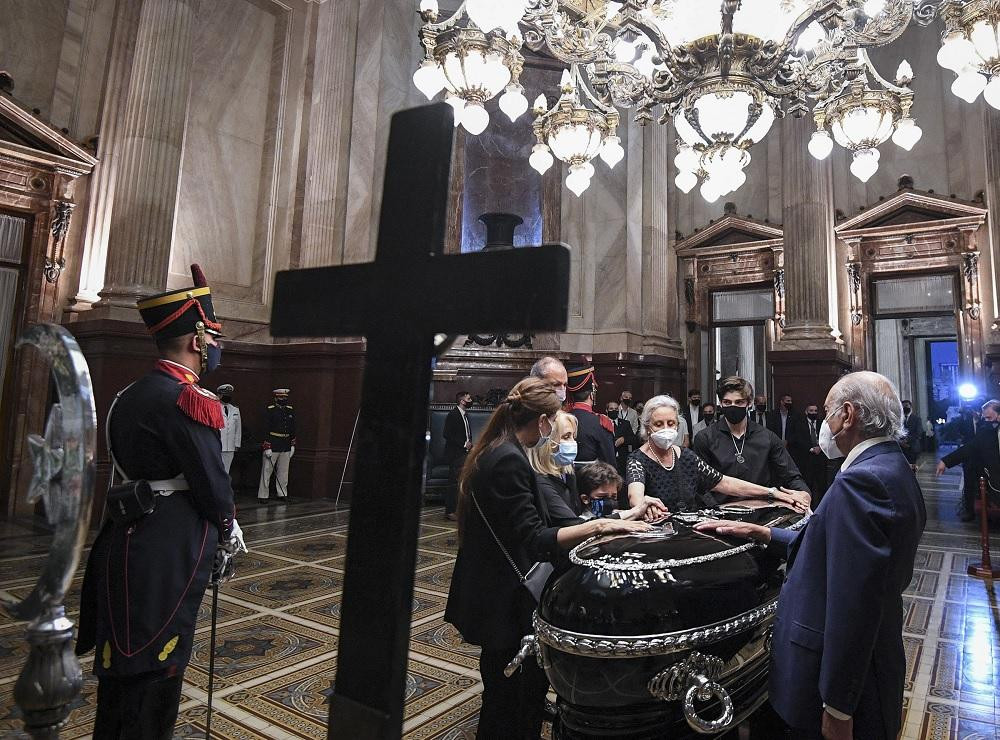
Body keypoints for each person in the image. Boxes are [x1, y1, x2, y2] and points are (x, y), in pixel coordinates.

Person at [695, 371, 926, 740]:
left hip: (847, 683)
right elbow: (833, 548)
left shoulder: (860, 482)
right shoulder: (891, 466)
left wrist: (837, 705)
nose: (825, 424)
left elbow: (854, 605)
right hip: (875, 664)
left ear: (847, 415)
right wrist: (765, 532)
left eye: (830, 412)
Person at [77, 264, 242, 739]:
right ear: (195, 340)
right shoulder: (185, 399)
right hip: (168, 547)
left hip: (124, 537)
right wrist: (227, 528)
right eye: (211, 336)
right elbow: (212, 483)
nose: (213, 346)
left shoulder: (131, 393)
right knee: (156, 668)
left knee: (122, 667)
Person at [444, 377, 651, 739]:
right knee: (511, 700)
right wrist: (601, 526)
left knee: (505, 691)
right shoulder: (509, 458)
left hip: (491, 589)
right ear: (542, 420)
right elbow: (535, 538)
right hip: (503, 599)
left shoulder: (497, 448)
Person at [627, 395, 810, 514]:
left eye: (671, 423)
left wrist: (773, 493)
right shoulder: (637, 460)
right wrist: (643, 504)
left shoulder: (685, 456)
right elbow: (634, 495)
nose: (666, 429)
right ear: (647, 427)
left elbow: (724, 482)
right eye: (659, 424)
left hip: (690, 534)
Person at [693, 376, 810, 494]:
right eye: (727, 402)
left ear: (749, 403)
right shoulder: (705, 438)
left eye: (739, 402)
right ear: (721, 404)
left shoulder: (768, 438)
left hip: (761, 508)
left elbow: (791, 475)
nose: (733, 406)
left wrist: (804, 494)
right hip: (720, 508)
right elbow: (700, 483)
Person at [935, 398, 1000, 522]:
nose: (986, 421)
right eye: (984, 418)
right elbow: (970, 448)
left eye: (989, 418)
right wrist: (945, 461)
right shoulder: (988, 431)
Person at [527, 409, 580, 515]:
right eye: (566, 437)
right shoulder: (540, 481)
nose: (573, 443)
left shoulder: (568, 471)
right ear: (547, 442)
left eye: (573, 436)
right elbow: (569, 521)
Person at [566, 363, 616, 466]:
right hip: (591, 479)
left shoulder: (560, 419)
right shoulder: (600, 422)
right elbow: (609, 463)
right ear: (592, 395)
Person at [258, 388, 296, 501]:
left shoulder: (290, 410)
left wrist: (292, 444)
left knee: (283, 472)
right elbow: (265, 428)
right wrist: (267, 446)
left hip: (285, 444)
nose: (283, 399)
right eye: (281, 398)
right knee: (267, 471)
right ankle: (263, 495)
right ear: (275, 398)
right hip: (273, 443)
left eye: (285, 398)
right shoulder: (270, 410)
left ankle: (282, 493)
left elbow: (293, 428)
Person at [443, 390, 474, 521]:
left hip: (464, 453)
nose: (470, 400)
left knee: (462, 482)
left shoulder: (465, 415)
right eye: (468, 398)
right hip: (456, 454)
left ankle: (459, 510)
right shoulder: (453, 414)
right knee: (454, 483)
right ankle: (450, 511)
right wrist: (463, 444)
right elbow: (447, 434)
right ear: (462, 401)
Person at [800, 403, 830, 503]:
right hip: (807, 458)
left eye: (815, 411)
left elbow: (828, 437)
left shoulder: (822, 423)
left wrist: (820, 448)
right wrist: (811, 448)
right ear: (806, 412)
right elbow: (797, 439)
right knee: (808, 484)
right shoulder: (800, 423)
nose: (813, 413)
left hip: (820, 458)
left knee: (821, 484)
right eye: (811, 411)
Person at [606, 399, 637, 476]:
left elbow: (633, 439)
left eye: (616, 409)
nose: (614, 411)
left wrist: (624, 439)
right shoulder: (602, 423)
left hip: (622, 460)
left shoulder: (625, 423)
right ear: (606, 410)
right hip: (607, 460)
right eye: (611, 409)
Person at [217, 383, 242, 475]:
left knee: (227, 470)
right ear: (219, 395)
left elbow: (238, 428)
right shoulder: (214, 408)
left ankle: (224, 488)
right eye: (225, 395)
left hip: (230, 445)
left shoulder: (235, 409)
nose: (227, 397)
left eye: (229, 395)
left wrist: (237, 443)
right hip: (219, 444)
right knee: (217, 469)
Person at [900, 400, 922, 469]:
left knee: (912, 469)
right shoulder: (900, 419)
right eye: (903, 406)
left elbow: (918, 433)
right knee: (902, 468)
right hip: (901, 448)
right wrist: (901, 442)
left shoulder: (917, 419)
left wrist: (906, 440)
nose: (904, 407)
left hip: (912, 447)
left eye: (906, 405)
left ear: (910, 407)